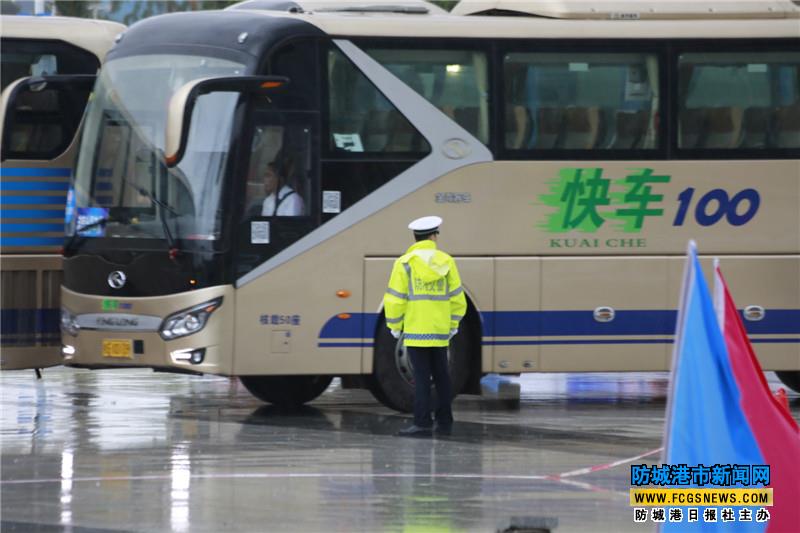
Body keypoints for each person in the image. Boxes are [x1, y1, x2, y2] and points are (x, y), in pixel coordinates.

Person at [384, 216, 467, 437]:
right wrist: (453, 324)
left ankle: (422, 422)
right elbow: (458, 299)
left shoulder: (405, 263)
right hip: (440, 331)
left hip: (416, 332)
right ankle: (445, 418)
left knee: (421, 378)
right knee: (442, 375)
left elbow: (395, 299)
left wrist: (394, 325)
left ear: (415, 237)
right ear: (433, 236)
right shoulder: (447, 261)